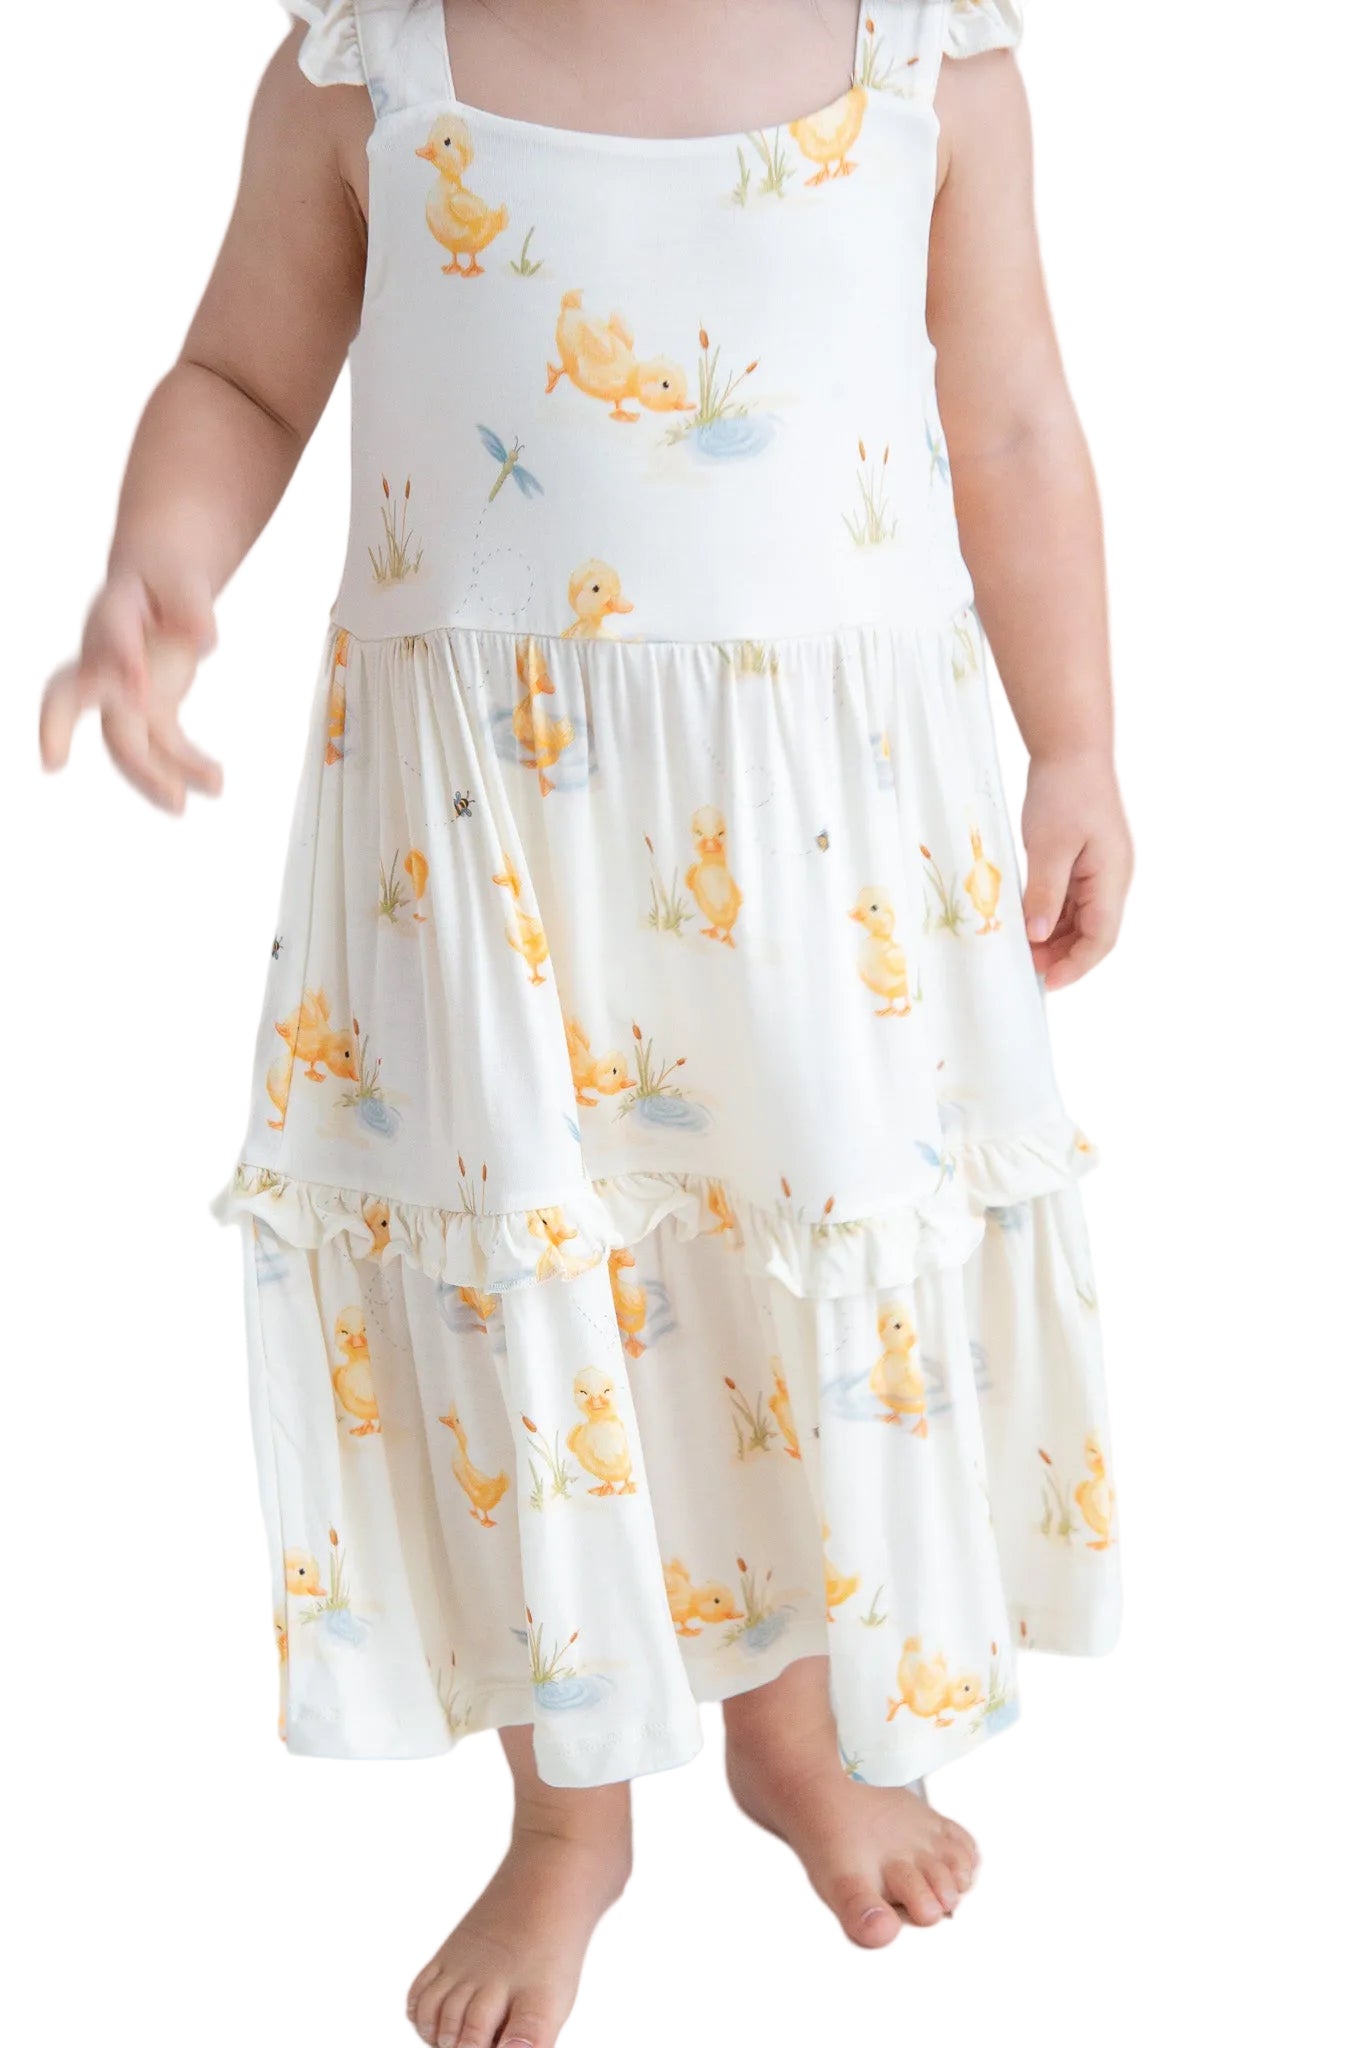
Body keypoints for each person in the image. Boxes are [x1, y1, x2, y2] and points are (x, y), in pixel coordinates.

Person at [39, 6, 1132, 2045]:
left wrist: (1071, 743)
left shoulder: (925, 63)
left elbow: (1004, 420)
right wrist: (158, 567)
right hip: (486, 830)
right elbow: (242, 377)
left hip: (815, 831)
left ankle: (795, 1731)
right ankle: (566, 1814)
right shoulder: (367, 70)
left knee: (785, 1252)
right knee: (527, 1281)